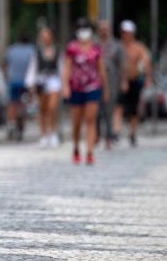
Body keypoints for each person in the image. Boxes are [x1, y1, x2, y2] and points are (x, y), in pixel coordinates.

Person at [61, 18, 107, 165]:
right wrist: (65, 87)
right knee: (77, 122)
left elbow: (101, 70)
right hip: (76, 87)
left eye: (86, 28)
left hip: (92, 86)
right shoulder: (71, 48)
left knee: (90, 119)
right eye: (81, 29)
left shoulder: (96, 49)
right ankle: (75, 147)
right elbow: (67, 68)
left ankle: (89, 151)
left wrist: (105, 88)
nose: (83, 32)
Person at [119, 20, 152, 147]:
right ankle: (116, 131)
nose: (126, 35)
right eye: (124, 33)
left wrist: (148, 78)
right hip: (120, 80)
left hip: (134, 80)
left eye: (128, 33)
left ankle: (132, 132)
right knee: (119, 106)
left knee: (134, 109)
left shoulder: (138, 47)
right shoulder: (118, 46)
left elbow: (146, 62)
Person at [28, 26, 61, 148]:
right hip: (41, 80)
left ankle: (53, 133)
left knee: (52, 108)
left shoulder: (57, 50)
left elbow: (61, 67)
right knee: (42, 109)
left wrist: (63, 84)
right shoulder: (37, 52)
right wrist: (31, 83)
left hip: (53, 81)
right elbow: (33, 67)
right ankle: (43, 135)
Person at [97, 20, 125, 149]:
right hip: (95, 82)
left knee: (109, 110)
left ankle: (108, 137)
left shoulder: (116, 46)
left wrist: (123, 81)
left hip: (112, 81)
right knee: (96, 110)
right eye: (101, 28)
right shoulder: (94, 46)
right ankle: (96, 135)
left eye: (106, 28)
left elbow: (121, 66)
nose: (104, 31)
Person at [4, 33, 36, 141]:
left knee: (13, 103)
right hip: (26, 83)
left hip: (13, 81)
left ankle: (12, 123)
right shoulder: (31, 50)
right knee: (24, 103)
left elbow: (5, 64)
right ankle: (22, 119)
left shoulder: (11, 50)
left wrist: (7, 77)